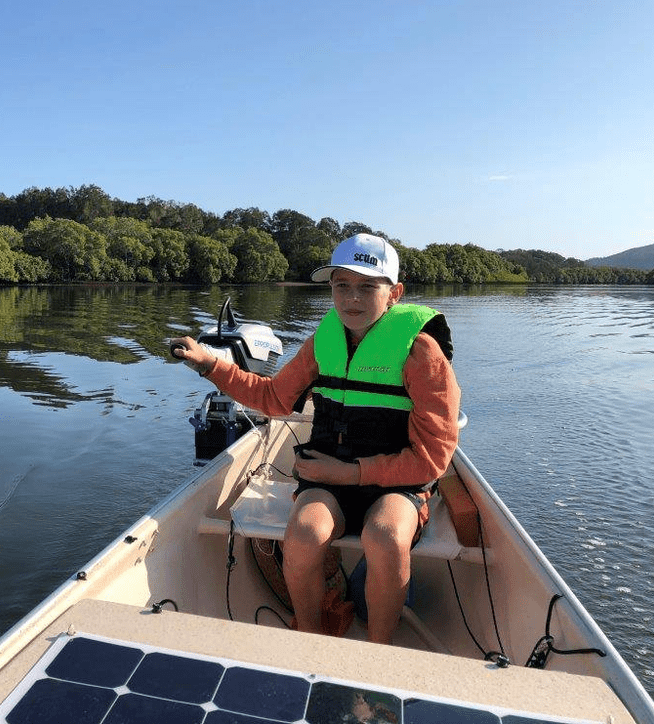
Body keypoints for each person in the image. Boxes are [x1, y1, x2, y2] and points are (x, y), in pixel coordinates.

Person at [172, 233, 460, 644]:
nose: (352, 298)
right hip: (327, 479)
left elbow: (433, 459)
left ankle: (379, 650)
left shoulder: (422, 353)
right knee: (304, 534)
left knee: (386, 537)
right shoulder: (322, 343)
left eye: (367, 287)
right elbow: (273, 398)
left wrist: (350, 473)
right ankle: (307, 638)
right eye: (342, 285)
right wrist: (210, 364)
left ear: (394, 294)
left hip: (397, 483)